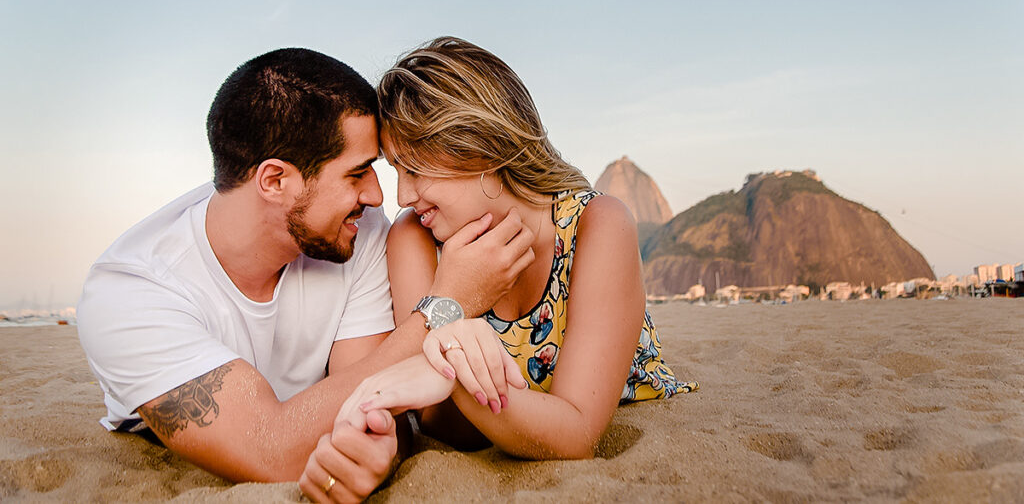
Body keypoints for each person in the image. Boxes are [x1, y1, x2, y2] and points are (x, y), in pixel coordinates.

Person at [77, 48, 529, 499]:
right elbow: (269, 451)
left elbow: (379, 401)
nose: (377, 195)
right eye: (357, 174)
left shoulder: (357, 232)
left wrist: (376, 444)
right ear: (275, 181)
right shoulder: (129, 292)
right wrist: (448, 306)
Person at [315, 37, 697, 473]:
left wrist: (447, 363)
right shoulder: (413, 238)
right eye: (396, 170)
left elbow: (575, 434)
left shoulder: (597, 225)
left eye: (415, 169)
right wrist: (451, 322)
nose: (402, 195)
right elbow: (443, 425)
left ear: (480, 148)